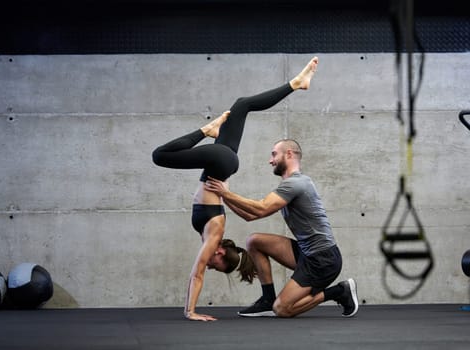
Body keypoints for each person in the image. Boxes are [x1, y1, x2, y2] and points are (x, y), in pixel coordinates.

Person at [152, 57, 319, 321]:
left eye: (214, 268)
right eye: (217, 266)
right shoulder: (213, 236)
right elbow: (197, 273)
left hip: (223, 161)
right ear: (220, 254)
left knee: (243, 105)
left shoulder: (210, 235)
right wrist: (190, 311)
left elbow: (201, 267)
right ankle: (294, 84)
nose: (211, 266)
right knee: (160, 156)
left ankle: (297, 83)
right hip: (221, 161)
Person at [204, 139, 359, 318]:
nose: (271, 160)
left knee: (282, 309)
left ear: (289, 154)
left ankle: (339, 291)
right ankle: (267, 300)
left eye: (274, 154)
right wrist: (223, 196)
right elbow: (250, 216)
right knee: (254, 241)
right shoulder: (290, 185)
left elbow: (260, 208)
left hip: (323, 260)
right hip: (306, 253)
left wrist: (225, 193)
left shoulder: (297, 183)